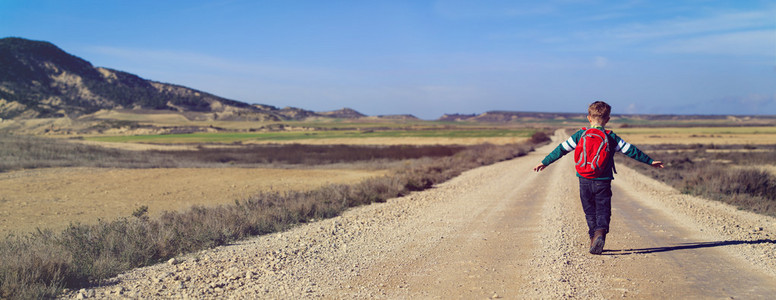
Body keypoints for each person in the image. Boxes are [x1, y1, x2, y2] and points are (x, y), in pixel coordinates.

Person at [532, 101, 664, 255]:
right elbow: (631, 151)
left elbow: (561, 149)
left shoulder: (580, 135)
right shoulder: (611, 137)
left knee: (590, 210)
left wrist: (545, 162)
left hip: (584, 180)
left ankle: (592, 238)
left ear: (589, 118)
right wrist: (650, 161)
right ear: (607, 119)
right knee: (603, 209)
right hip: (603, 180)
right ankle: (600, 233)